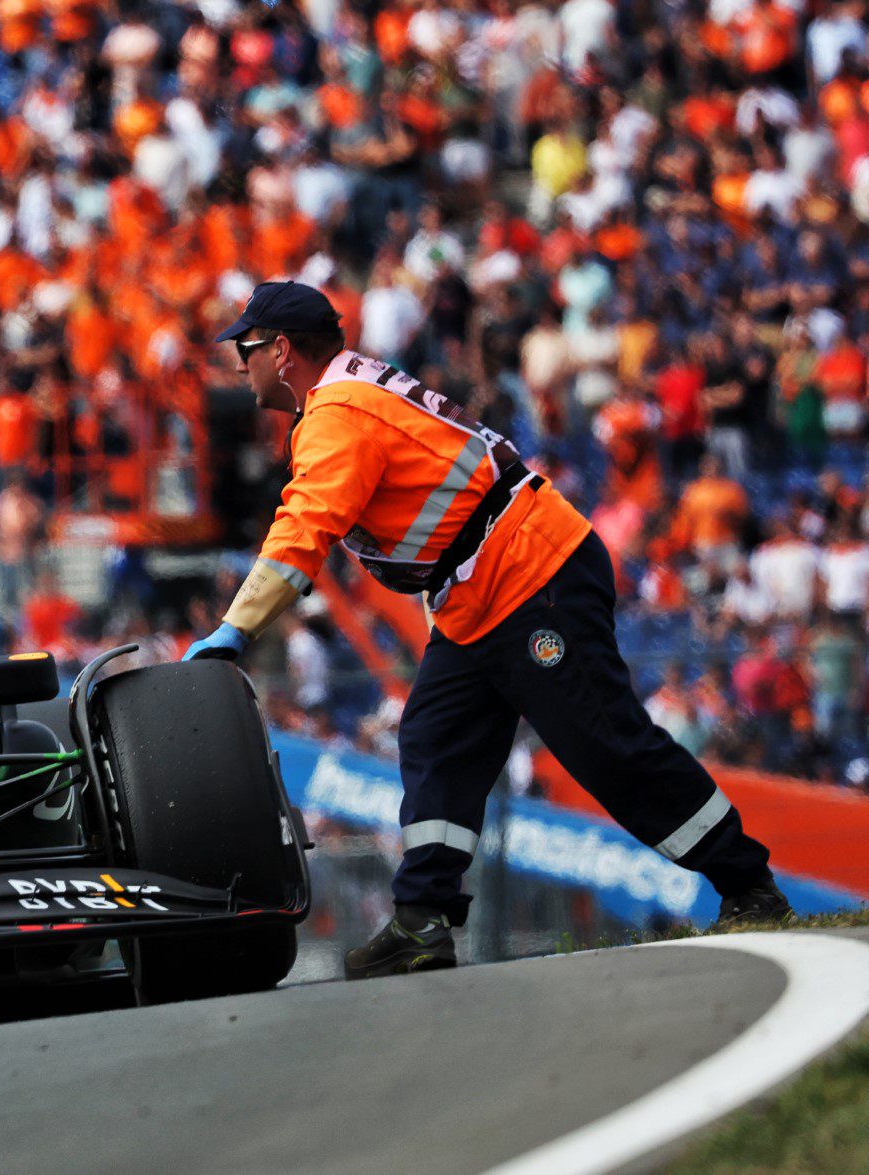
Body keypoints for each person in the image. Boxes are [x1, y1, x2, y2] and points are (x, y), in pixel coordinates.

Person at [188, 281, 788, 980]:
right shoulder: (355, 391)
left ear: (283, 350)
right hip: (483, 588)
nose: (240, 364)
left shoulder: (336, 414)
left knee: (603, 745)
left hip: (528, 573)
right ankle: (421, 919)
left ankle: (749, 883)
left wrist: (237, 626)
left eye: (247, 348)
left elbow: (303, 529)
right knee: (436, 739)